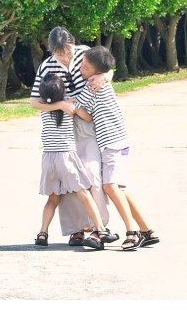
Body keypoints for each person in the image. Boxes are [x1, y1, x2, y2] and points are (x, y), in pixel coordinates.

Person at [29, 27, 118, 246]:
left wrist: (104, 77)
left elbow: (107, 68)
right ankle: (76, 230)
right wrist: (61, 105)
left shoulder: (85, 53)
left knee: (92, 176)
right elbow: (34, 102)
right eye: (61, 54)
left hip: (87, 121)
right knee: (70, 184)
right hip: (63, 126)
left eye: (68, 51)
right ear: (51, 51)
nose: (67, 57)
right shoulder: (46, 66)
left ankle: (100, 227)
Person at [74, 45, 160, 251]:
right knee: (119, 188)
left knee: (109, 186)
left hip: (112, 143)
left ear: (96, 72)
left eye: (85, 67)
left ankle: (132, 233)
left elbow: (78, 105)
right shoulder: (99, 80)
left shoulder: (93, 85)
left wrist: (61, 102)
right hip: (117, 142)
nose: (80, 68)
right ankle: (147, 230)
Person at [34, 73, 108, 250]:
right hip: (66, 157)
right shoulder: (70, 106)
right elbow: (88, 117)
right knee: (83, 193)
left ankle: (42, 233)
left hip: (48, 158)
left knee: (53, 199)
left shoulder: (44, 108)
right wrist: (73, 102)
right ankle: (101, 229)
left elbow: (38, 102)